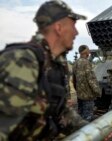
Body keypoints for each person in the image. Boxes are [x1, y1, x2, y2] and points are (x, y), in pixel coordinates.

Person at [0, 0, 89, 140]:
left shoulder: (54, 64)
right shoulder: (23, 61)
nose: (76, 32)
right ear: (59, 28)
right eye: (73, 26)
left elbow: (59, 111)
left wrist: (90, 129)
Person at [73, 45, 101, 121]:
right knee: (88, 116)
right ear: (85, 51)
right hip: (88, 95)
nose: (89, 51)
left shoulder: (76, 62)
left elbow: (74, 79)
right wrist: (97, 91)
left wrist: (77, 90)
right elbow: (91, 79)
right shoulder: (86, 63)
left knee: (81, 114)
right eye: (88, 49)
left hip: (80, 94)